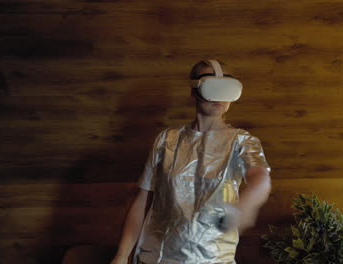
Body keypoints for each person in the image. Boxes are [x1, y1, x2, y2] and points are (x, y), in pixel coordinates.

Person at [111, 59, 272, 264]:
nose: (219, 96)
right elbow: (142, 200)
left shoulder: (242, 142)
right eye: (211, 86)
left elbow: (260, 177)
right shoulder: (166, 140)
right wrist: (122, 254)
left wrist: (247, 205)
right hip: (157, 257)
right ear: (194, 90)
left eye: (225, 88)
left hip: (213, 259)